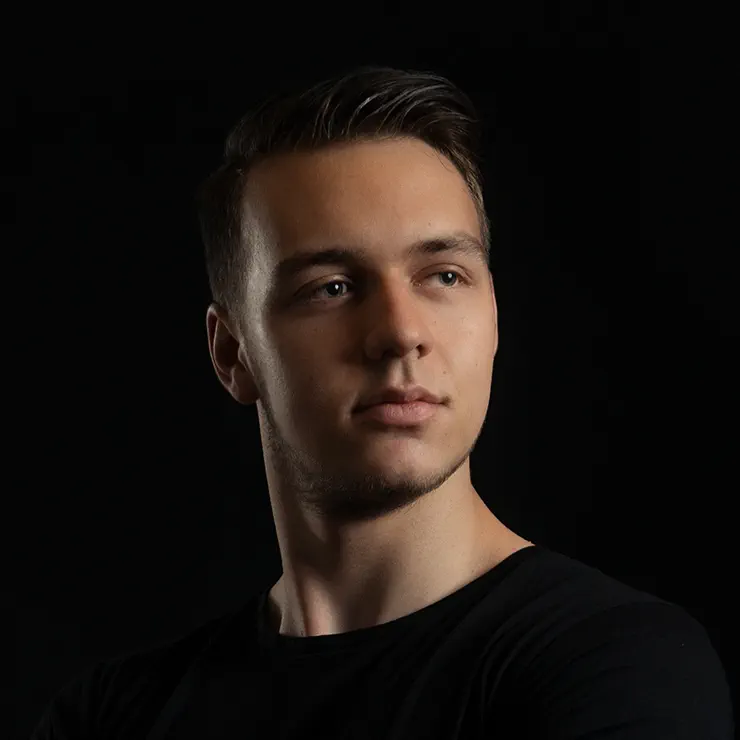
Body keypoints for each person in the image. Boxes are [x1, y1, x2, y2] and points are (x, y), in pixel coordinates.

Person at [31, 66, 734, 739]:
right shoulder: (114, 716)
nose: (400, 332)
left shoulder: (615, 666)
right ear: (232, 353)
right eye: (331, 288)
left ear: (494, 314)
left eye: (444, 276)